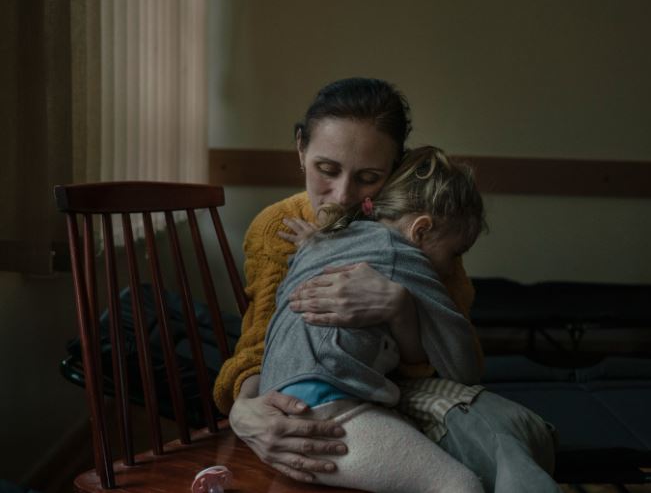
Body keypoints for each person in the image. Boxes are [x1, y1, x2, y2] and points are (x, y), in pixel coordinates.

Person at [213, 77, 560, 492]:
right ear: (301, 149)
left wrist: (400, 308)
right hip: (325, 405)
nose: (342, 196)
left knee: (501, 438)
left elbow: (455, 368)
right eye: (327, 169)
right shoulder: (279, 227)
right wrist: (244, 408)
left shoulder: (425, 225)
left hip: (391, 393)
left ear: (396, 170)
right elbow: (260, 343)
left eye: (368, 177)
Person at [259, 146, 486, 492]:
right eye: (454, 253)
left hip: (276, 403)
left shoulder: (330, 238)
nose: (452, 268)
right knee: (462, 484)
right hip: (322, 410)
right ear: (421, 230)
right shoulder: (402, 256)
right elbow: (464, 367)